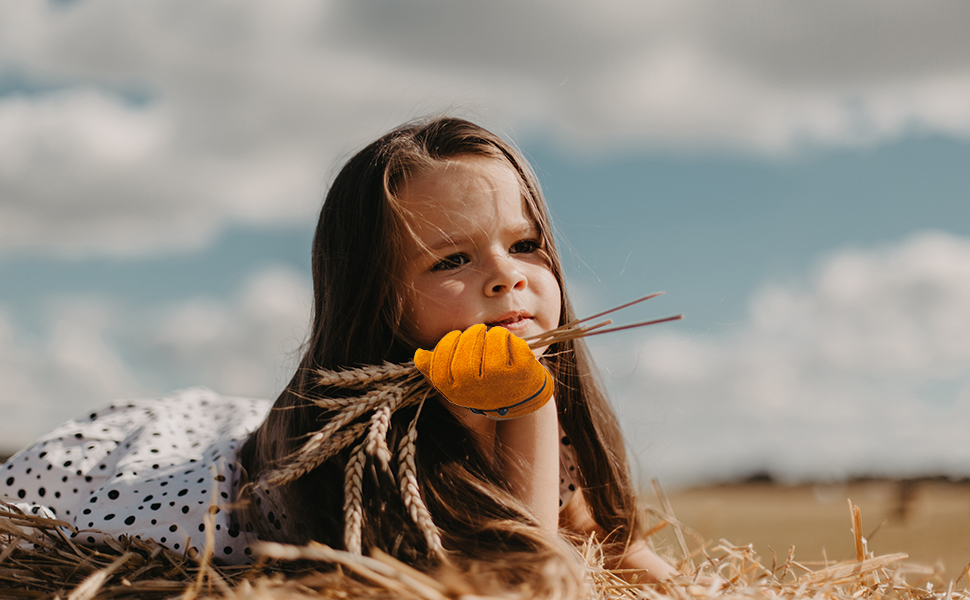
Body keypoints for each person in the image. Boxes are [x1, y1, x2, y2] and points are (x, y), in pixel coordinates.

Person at [1, 117, 677, 584]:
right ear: (379, 301)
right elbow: (525, 578)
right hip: (180, 484)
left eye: (525, 244)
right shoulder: (369, 450)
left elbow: (603, 537)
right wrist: (525, 407)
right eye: (453, 259)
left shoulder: (565, 419)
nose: (507, 275)